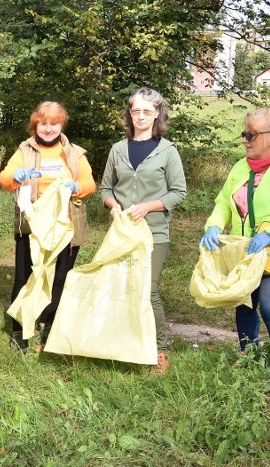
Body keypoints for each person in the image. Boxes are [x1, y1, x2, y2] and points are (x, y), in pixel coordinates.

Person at [200, 108, 270, 379]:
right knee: (244, 304)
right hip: (244, 251)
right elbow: (223, 202)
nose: (245, 140)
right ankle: (247, 354)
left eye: (250, 134)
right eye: (244, 133)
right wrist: (214, 224)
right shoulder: (240, 167)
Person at [100, 87, 187, 374]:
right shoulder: (118, 149)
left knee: (148, 291)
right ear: (129, 113)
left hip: (155, 233)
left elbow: (179, 192)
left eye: (147, 111)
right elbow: (105, 188)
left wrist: (149, 206)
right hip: (123, 233)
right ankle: (124, 345)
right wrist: (113, 205)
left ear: (157, 114)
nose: (140, 116)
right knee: (120, 289)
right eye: (136, 110)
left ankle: (159, 351)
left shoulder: (168, 151)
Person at [0, 102, 96, 353]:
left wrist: (78, 187)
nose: (49, 128)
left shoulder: (74, 153)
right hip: (31, 227)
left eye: (54, 123)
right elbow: (5, 178)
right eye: (44, 123)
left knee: (60, 279)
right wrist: (16, 176)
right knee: (24, 278)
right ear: (36, 125)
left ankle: (47, 324)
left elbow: (89, 183)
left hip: (64, 227)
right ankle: (19, 331)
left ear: (62, 125)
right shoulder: (24, 150)